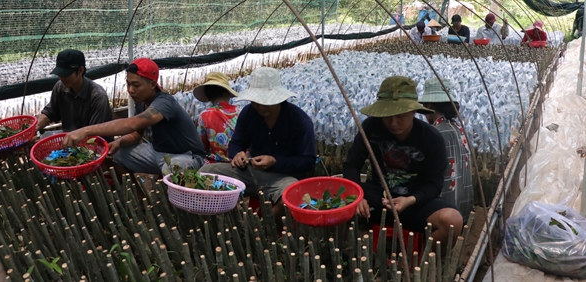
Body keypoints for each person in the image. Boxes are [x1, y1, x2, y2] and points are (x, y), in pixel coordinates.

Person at [342, 76, 463, 245]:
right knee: (336, 196)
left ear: (413, 111)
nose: (393, 123)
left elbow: (434, 184)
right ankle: (351, 246)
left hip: (414, 203)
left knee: (452, 221)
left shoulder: (431, 138)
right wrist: (357, 196)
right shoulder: (371, 127)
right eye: (387, 115)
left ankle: (421, 255)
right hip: (378, 198)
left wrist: (410, 200)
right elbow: (351, 165)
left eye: (400, 116)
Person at [200, 67, 316, 221]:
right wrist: (237, 154)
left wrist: (275, 162)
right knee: (205, 172)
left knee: (291, 197)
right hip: (252, 172)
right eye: (256, 102)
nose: (260, 107)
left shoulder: (300, 121)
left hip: (285, 178)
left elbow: (308, 161)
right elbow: (236, 143)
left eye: (266, 102)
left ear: (279, 99)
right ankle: (216, 219)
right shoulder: (248, 113)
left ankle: (263, 225)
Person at [62, 58, 206, 175]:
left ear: (152, 84)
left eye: (136, 85)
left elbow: (132, 124)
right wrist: (119, 143)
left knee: (173, 169)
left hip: (186, 156)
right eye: (128, 84)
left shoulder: (164, 102)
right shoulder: (141, 102)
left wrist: (86, 131)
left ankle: (175, 201)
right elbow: (137, 134)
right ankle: (140, 196)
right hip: (157, 152)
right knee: (113, 154)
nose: (130, 90)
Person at [419, 77, 473, 222]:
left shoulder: (436, 132)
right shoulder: (458, 127)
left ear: (429, 105)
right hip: (464, 208)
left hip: (446, 212)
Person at [36, 49, 112, 138]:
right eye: (60, 74)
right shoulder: (60, 87)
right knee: (39, 138)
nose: (62, 78)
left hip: (94, 141)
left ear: (80, 70)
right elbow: (50, 112)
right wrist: (35, 126)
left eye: (66, 74)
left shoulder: (98, 97)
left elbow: (95, 135)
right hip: (70, 136)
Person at [193, 72, 240, 163]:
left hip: (216, 165)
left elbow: (202, 147)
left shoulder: (204, 116)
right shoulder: (239, 111)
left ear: (208, 96)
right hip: (240, 162)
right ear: (227, 93)